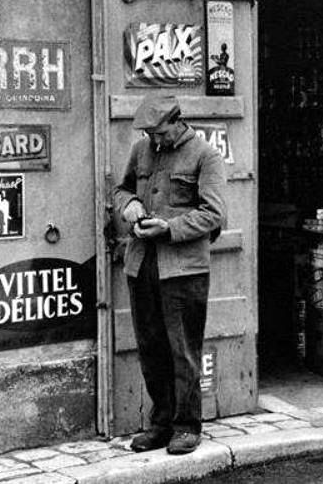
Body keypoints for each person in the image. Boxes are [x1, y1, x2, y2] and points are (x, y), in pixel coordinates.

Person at [113, 93, 227, 455]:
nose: (154, 140)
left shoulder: (206, 156)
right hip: (141, 263)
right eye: (149, 133)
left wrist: (169, 226)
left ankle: (186, 426)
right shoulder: (141, 150)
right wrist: (128, 204)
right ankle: (160, 424)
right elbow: (122, 189)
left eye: (159, 132)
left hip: (184, 269)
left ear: (177, 122)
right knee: (151, 348)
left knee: (183, 350)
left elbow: (214, 215)